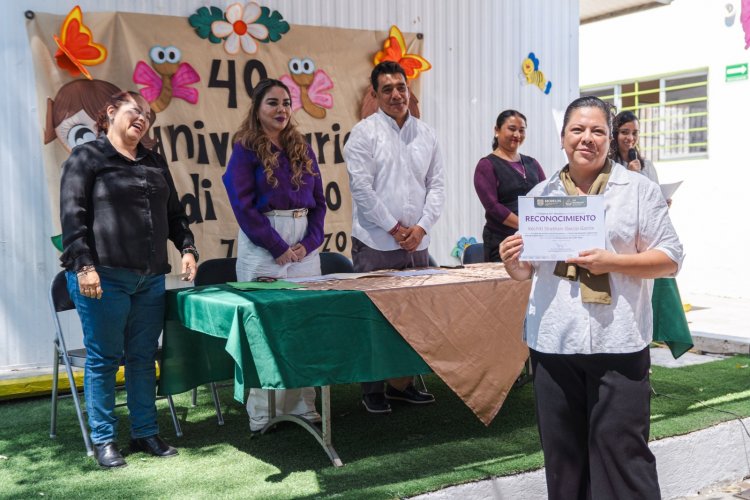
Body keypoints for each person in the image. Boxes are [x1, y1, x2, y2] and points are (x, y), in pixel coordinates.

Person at [499, 96, 683, 499]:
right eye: (577, 130)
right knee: (564, 465)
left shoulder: (638, 191)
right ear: (563, 137)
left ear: (611, 139)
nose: (587, 138)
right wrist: (514, 263)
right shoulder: (542, 194)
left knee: (623, 457)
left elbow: (670, 258)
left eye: (598, 130)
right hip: (553, 344)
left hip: (618, 343)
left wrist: (612, 262)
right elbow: (529, 271)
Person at [60, 91, 198, 468]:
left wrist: (187, 247)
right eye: (135, 110)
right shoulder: (86, 158)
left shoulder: (154, 161)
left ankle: (145, 433)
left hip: (150, 279)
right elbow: (73, 217)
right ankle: (104, 440)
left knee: (141, 357)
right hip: (102, 276)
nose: (143, 118)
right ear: (110, 112)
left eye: (149, 116)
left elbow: (175, 214)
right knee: (105, 359)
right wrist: (84, 266)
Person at [223, 78, 326, 432]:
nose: (281, 109)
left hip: (303, 249)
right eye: (272, 103)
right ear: (257, 108)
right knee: (265, 329)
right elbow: (242, 205)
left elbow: (320, 204)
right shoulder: (245, 149)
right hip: (264, 246)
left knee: (304, 325)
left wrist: (309, 243)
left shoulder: (302, 146)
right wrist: (278, 246)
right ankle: (264, 411)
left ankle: (302, 405)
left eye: (286, 102)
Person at [344, 61, 445, 414]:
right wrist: (394, 228)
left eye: (400, 87)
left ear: (408, 89)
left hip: (417, 243)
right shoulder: (363, 134)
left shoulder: (427, 134)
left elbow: (437, 187)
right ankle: (373, 390)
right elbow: (362, 189)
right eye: (386, 89)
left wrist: (421, 228)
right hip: (376, 244)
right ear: (375, 95)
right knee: (376, 320)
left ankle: (405, 385)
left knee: (415, 319)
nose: (396, 94)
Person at [473, 110, 545, 262]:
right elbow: (493, 207)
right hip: (502, 242)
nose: (517, 135)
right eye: (512, 129)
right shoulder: (486, 165)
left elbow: (546, 195)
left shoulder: (532, 163)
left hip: (534, 240)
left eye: (521, 130)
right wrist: (527, 225)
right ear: (497, 130)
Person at [609, 110, 659, 184]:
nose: (631, 138)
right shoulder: (609, 166)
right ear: (615, 134)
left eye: (634, 133)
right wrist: (630, 174)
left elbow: (656, 192)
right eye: (624, 132)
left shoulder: (647, 165)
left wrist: (663, 195)